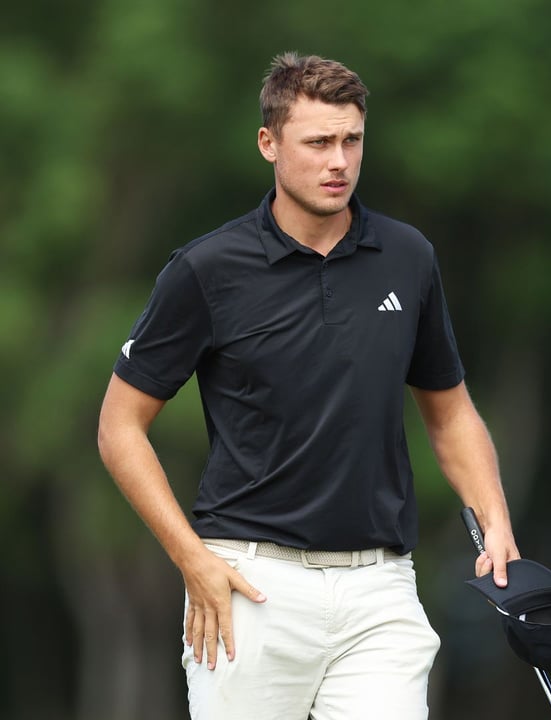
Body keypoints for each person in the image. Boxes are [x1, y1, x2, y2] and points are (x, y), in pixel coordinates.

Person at [96, 52, 519, 719]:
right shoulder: (206, 270)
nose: (339, 162)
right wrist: (192, 560)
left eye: (352, 140)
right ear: (269, 143)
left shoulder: (408, 258)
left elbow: (450, 413)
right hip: (247, 584)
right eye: (318, 142)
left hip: (380, 591)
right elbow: (120, 427)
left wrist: (493, 518)